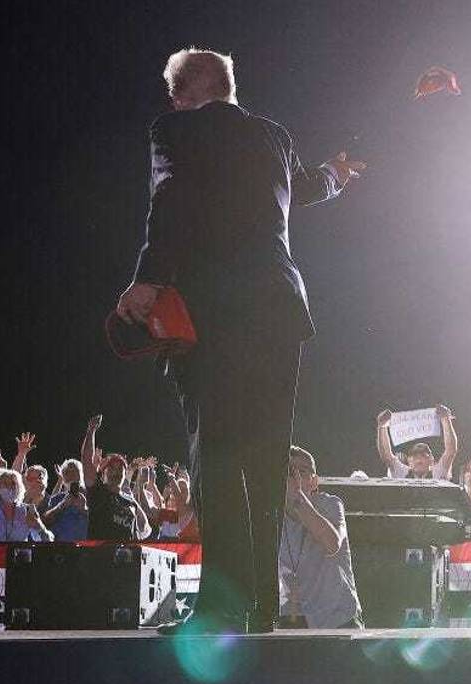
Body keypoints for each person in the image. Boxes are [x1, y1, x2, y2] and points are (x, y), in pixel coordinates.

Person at [115, 48, 365, 635]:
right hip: (280, 310)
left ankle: (226, 606)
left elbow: (169, 196)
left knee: (218, 460)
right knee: (266, 459)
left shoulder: (172, 129)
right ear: (228, 85)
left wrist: (149, 277)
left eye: (172, 95)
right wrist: (335, 176)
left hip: (215, 315)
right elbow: (301, 189)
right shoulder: (272, 135)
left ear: (183, 93)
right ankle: (258, 608)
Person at [279, 446, 362, 629]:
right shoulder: (273, 516)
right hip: (294, 618)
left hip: (338, 618)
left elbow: (332, 543)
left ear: (314, 481)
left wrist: (297, 497)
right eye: (288, 472)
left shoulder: (330, 504)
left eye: (302, 472)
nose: (295, 479)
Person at [79, 416, 150, 541]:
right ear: (103, 473)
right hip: (99, 556)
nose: (116, 473)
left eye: (120, 469)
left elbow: (145, 530)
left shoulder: (130, 502)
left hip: (123, 558)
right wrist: (91, 431)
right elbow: (86, 460)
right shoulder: (97, 491)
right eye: (111, 468)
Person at [376, 406, 459, 480]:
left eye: (424, 455)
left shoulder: (438, 473)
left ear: (431, 460)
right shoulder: (401, 472)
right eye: (415, 455)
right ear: (408, 460)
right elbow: (386, 456)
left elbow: (451, 451)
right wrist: (382, 426)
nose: (419, 459)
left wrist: (445, 420)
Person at [41, 459, 89, 542]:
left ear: (81, 474)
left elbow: (101, 521)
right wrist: (61, 506)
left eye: (74, 471)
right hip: (60, 548)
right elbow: (44, 522)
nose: (71, 475)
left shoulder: (90, 497)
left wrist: (83, 509)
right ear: (63, 478)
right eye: (67, 473)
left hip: (85, 548)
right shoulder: (57, 499)